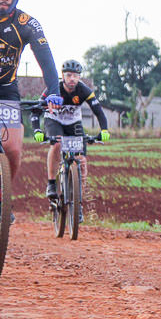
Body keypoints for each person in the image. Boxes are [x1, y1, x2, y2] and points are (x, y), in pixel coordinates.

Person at [0, 0, 63, 224]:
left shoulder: (26, 23)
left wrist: (55, 91)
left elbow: (45, 58)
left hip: (7, 90)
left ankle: (4, 199)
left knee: (13, 149)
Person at [31, 59, 110, 222]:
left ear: (79, 77)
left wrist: (104, 130)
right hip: (54, 121)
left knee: (81, 160)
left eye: (75, 76)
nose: (72, 79)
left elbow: (99, 111)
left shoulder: (84, 90)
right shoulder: (54, 89)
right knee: (57, 143)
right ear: (63, 76)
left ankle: (77, 204)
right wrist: (37, 130)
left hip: (74, 123)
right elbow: (35, 111)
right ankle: (52, 183)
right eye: (69, 75)